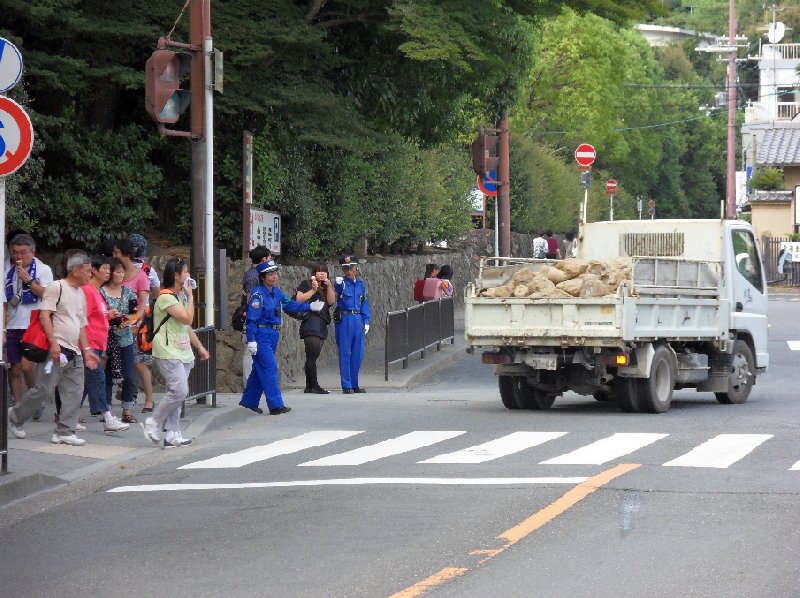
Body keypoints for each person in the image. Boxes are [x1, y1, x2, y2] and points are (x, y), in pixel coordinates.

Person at [7, 252, 100, 446]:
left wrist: (87, 349)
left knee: (74, 392)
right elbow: (44, 316)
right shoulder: (56, 288)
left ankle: (65, 431)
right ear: (75, 271)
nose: (90, 274)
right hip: (57, 348)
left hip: (74, 351)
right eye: (87, 271)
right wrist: (54, 343)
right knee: (44, 389)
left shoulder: (80, 293)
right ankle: (15, 416)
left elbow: (81, 324)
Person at [239, 259, 324, 414]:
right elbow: (252, 319)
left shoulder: (276, 292)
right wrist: (251, 340)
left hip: (273, 334)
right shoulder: (258, 295)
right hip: (261, 334)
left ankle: (249, 401)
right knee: (270, 367)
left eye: (274, 273)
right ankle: (276, 405)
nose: (274, 277)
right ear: (262, 277)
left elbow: (290, 304)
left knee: (260, 370)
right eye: (270, 274)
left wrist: (309, 306)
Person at [141, 258, 209, 447]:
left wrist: (200, 347)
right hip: (167, 351)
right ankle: (153, 422)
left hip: (183, 350)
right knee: (179, 391)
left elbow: (186, 327)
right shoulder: (165, 298)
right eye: (185, 272)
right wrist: (191, 295)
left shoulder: (178, 297)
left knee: (177, 394)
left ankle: (172, 433)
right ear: (177, 275)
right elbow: (187, 318)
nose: (188, 275)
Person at [3, 234, 54, 409]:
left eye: (23, 252)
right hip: (12, 324)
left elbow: (46, 295)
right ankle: (19, 406)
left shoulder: (43, 269)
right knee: (14, 368)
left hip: (32, 324)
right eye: (15, 252)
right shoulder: (6, 270)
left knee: (26, 366)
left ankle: (35, 399)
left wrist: (28, 279)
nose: (18, 257)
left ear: (32, 252)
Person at [82, 255, 128, 432]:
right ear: (94, 270)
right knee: (98, 379)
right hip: (90, 342)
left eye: (110, 269)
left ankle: (66, 417)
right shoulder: (88, 290)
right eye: (105, 269)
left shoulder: (97, 291)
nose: (108, 272)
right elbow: (83, 318)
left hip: (97, 342)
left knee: (88, 382)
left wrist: (108, 316)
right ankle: (107, 416)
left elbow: (96, 315)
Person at [114, 238, 150, 421]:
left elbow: (142, 305)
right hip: (109, 328)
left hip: (130, 329)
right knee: (103, 368)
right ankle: (104, 409)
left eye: (117, 252)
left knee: (130, 370)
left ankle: (127, 408)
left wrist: (134, 323)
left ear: (125, 253)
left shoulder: (140, 276)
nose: (114, 256)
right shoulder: (112, 272)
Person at [100, 257, 139, 424]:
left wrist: (128, 321)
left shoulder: (128, 292)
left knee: (129, 376)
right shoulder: (101, 292)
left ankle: (127, 410)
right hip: (107, 339)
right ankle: (107, 411)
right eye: (118, 271)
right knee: (107, 375)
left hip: (126, 338)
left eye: (123, 271)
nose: (121, 275)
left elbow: (136, 312)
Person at [295, 262, 336, 394]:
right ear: (314, 273)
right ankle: (314, 385)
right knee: (312, 355)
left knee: (313, 355)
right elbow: (299, 299)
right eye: (319, 271)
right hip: (311, 321)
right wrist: (313, 290)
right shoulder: (306, 284)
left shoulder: (326, 287)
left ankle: (309, 385)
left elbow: (331, 301)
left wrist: (329, 286)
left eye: (324, 271)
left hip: (322, 322)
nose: (322, 273)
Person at [333, 256, 371, 394]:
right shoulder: (342, 283)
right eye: (346, 268)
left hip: (357, 318)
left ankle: (355, 383)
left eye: (351, 268)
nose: (349, 271)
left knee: (357, 353)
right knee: (345, 352)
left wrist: (366, 320)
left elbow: (364, 303)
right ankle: (346, 384)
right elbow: (338, 288)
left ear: (356, 268)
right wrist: (338, 284)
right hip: (345, 319)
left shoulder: (360, 285)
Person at [241, 245, 271, 384]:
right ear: (264, 259)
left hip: (262, 320)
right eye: (269, 258)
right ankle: (248, 383)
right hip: (254, 320)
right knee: (249, 352)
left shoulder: (258, 274)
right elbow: (250, 299)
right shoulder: (253, 276)